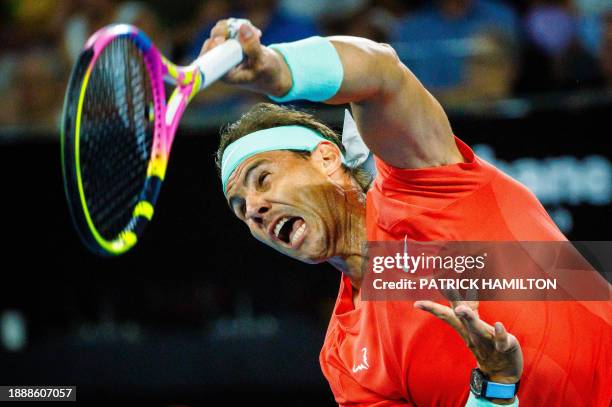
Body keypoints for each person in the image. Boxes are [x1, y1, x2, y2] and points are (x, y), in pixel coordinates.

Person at [201, 19, 611, 406]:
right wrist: (495, 385)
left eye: (263, 179)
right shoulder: (344, 361)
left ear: (327, 158)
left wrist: (278, 68)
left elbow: (381, 74)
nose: (254, 208)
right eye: (240, 210)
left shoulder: (424, 185)